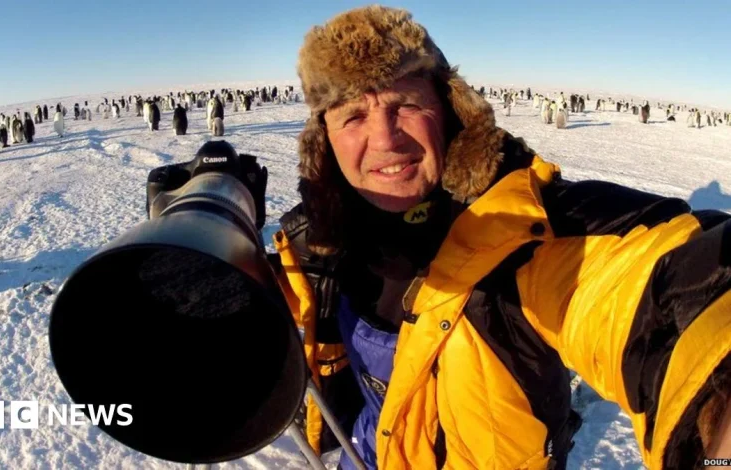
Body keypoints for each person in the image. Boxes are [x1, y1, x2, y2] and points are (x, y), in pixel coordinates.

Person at [266, 5, 730, 469]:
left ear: (447, 110)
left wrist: (715, 390)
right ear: (324, 139)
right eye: (352, 116)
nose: (386, 139)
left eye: (405, 103)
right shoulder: (319, 245)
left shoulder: (521, 233)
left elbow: (648, 289)